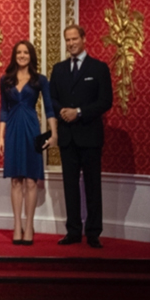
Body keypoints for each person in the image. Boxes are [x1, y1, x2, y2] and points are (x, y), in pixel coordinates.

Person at [50, 24, 113, 248]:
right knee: (70, 186)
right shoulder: (58, 69)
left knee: (92, 185)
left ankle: (94, 232)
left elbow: (106, 101)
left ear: (84, 39)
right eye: (68, 40)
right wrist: (62, 112)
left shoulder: (99, 68)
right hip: (67, 137)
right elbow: (52, 99)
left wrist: (78, 112)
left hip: (90, 136)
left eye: (75, 38)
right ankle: (73, 231)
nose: (71, 43)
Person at [0, 41, 58, 245]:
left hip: (32, 129)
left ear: (31, 55)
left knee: (31, 180)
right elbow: (4, 110)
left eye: (25, 52)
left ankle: (29, 225)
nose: (22, 55)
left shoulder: (40, 80)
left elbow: (49, 108)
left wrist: (54, 133)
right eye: (18, 52)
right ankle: (16, 225)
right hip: (13, 129)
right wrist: (0, 137)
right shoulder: (5, 79)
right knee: (16, 180)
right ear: (14, 55)